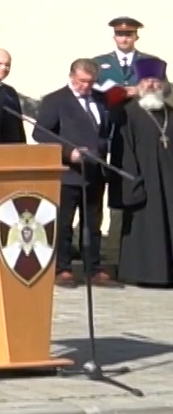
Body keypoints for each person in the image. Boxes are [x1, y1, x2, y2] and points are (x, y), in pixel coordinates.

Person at [36, 59, 119, 287]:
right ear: (72, 76)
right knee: (63, 223)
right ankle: (62, 268)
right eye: (82, 81)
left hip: (94, 172)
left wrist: (101, 150)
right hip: (67, 173)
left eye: (90, 82)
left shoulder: (100, 99)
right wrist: (68, 153)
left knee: (92, 223)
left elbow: (104, 131)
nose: (86, 86)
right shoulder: (56, 100)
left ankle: (93, 268)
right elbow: (41, 133)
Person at [114, 58, 172, 288]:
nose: (150, 85)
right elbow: (123, 150)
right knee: (145, 226)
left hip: (169, 182)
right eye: (146, 80)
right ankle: (146, 274)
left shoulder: (169, 112)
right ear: (138, 83)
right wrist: (131, 183)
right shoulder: (127, 112)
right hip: (143, 182)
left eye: (155, 80)